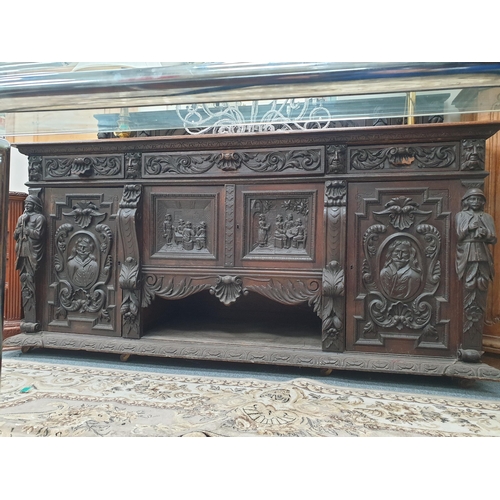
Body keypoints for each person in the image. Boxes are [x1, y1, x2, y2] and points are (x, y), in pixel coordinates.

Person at [456, 188, 497, 287]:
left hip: (483, 251)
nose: (476, 202)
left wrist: (486, 233)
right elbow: (459, 236)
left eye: (479, 199)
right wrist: (469, 228)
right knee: (469, 282)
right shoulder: (461, 215)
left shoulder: (487, 217)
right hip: (467, 251)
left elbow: (494, 239)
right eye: (473, 199)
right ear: (467, 201)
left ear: (483, 202)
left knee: (483, 282)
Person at [14, 194, 46, 276]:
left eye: (29, 203)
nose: (27, 205)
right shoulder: (21, 218)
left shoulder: (39, 218)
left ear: (35, 205)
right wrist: (20, 226)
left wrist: (27, 231)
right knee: (23, 273)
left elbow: (38, 234)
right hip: (22, 248)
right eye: (26, 203)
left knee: (32, 274)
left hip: (32, 249)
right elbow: (15, 236)